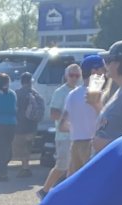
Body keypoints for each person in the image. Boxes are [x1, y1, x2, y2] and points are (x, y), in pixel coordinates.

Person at [37, 62, 82, 197]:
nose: (74, 78)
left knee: (74, 167)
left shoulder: (80, 91)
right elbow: (53, 114)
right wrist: (70, 118)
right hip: (63, 136)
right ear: (66, 76)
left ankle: (68, 193)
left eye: (77, 75)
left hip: (78, 136)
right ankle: (44, 190)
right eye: (71, 75)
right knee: (62, 166)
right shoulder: (60, 92)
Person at [13, 71, 46, 178]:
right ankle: (26, 167)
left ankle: (24, 167)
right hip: (32, 125)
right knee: (28, 146)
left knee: (20, 147)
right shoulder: (36, 94)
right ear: (31, 81)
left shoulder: (17, 94)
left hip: (19, 125)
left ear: (21, 81)